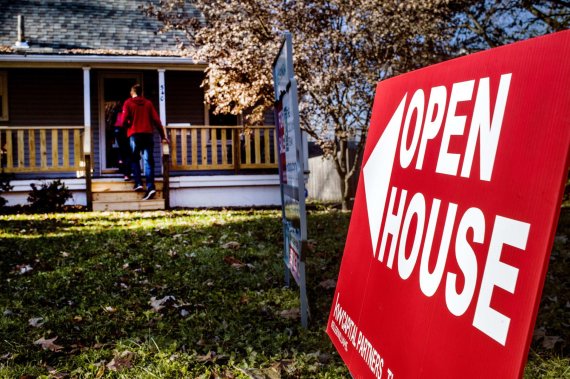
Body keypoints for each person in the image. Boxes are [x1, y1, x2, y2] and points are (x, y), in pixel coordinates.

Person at [122, 84, 168, 200]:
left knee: (134, 159)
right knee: (148, 161)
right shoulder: (148, 103)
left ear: (132, 92)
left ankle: (138, 183)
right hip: (148, 135)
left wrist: (128, 125)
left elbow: (123, 120)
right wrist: (163, 136)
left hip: (134, 134)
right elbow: (157, 121)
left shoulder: (128, 103)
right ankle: (150, 187)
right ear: (141, 93)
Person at [113, 101, 131, 181]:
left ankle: (123, 169)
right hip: (123, 131)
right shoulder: (125, 111)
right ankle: (126, 173)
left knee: (121, 150)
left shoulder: (116, 112)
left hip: (118, 130)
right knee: (126, 152)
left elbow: (112, 122)